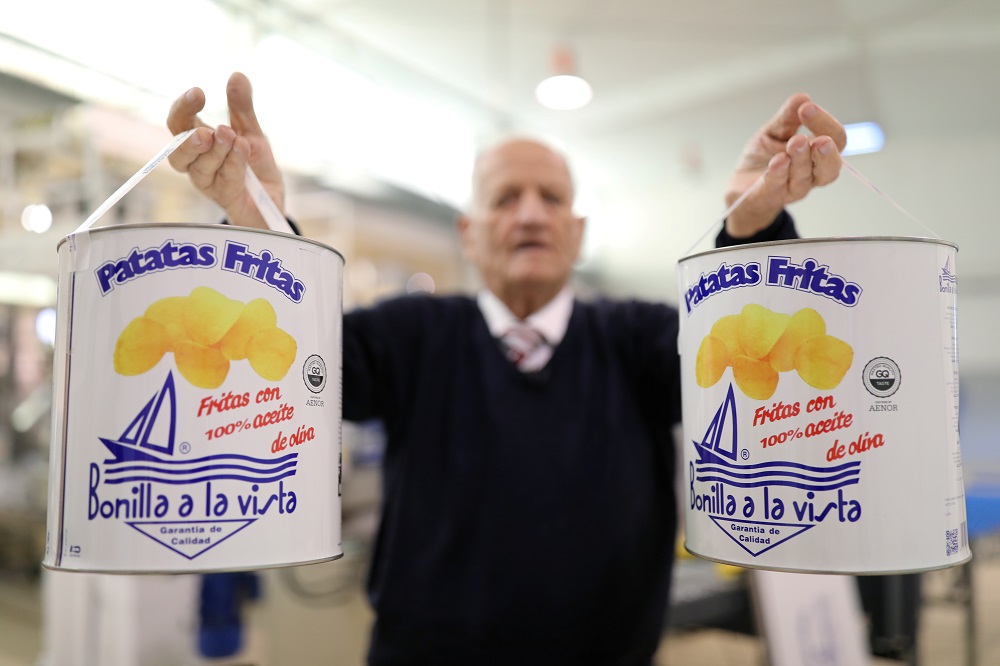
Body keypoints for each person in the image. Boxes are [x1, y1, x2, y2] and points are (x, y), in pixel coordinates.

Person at [167, 72, 846, 666]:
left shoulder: (639, 339)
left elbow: (748, 363)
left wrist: (752, 232)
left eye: (551, 198)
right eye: (505, 198)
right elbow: (294, 362)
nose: (530, 214)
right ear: (468, 232)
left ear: (577, 233)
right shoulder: (409, 335)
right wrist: (260, 225)